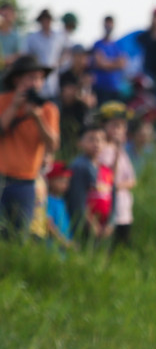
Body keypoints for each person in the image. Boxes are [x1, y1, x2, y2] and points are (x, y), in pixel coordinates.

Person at [0, 55, 60, 234]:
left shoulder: (48, 109)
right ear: (17, 79)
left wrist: (38, 117)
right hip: (2, 178)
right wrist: (14, 107)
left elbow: (53, 145)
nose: (37, 82)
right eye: (32, 77)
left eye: (40, 78)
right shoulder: (3, 101)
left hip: (26, 183)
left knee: (19, 237)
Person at [97, 103, 137, 246]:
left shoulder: (121, 151)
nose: (119, 130)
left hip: (124, 208)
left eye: (122, 126)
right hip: (107, 208)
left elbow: (132, 180)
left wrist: (117, 185)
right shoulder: (101, 150)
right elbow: (108, 178)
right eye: (114, 125)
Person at [67, 125, 110, 241]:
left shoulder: (100, 166)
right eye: (91, 139)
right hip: (84, 224)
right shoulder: (80, 166)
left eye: (101, 139)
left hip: (101, 225)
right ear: (80, 143)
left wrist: (109, 223)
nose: (97, 143)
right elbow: (78, 200)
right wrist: (91, 223)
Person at [91, 15, 128, 104]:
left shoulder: (117, 45)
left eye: (110, 23)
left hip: (115, 88)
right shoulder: (98, 44)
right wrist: (115, 63)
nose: (109, 26)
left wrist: (106, 62)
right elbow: (99, 63)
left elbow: (123, 64)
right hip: (100, 89)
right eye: (107, 23)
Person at [43, 161, 72, 244]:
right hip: (51, 248)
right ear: (50, 180)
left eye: (67, 180)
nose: (65, 184)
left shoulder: (61, 201)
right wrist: (63, 242)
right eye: (61, 180)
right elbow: (48, 225)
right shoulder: (47, 200)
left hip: (62, 250)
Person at [0, 2, 20, 67]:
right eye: (4, 15)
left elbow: (19, 54)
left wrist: (5, 60)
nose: (6, 19)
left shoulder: (17, 36)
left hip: (10, 72)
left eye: (8, 15)